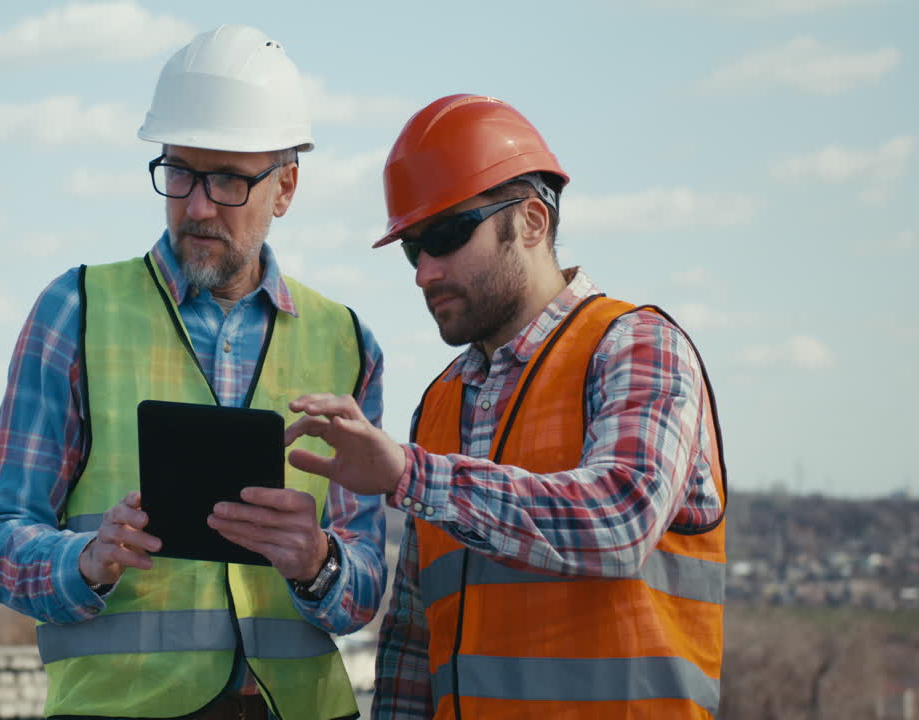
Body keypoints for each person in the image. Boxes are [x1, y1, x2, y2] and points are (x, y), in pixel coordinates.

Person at [0, 25, 386, 720]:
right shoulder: (73, 312)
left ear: (285, 186)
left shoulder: (346, 341)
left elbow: (366, 581)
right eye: (181, 172)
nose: (196, 205)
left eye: (228, 179)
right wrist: (86, 560)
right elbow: (0, 541)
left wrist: (319, 561)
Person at [284, 94, 727, 719]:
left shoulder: (637, 347)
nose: (424, 272)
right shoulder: (440, 404)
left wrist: (408, 475)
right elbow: (414, 643)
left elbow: (621, 520)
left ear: (531, 221)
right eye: (414, 248)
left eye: (445, 235)